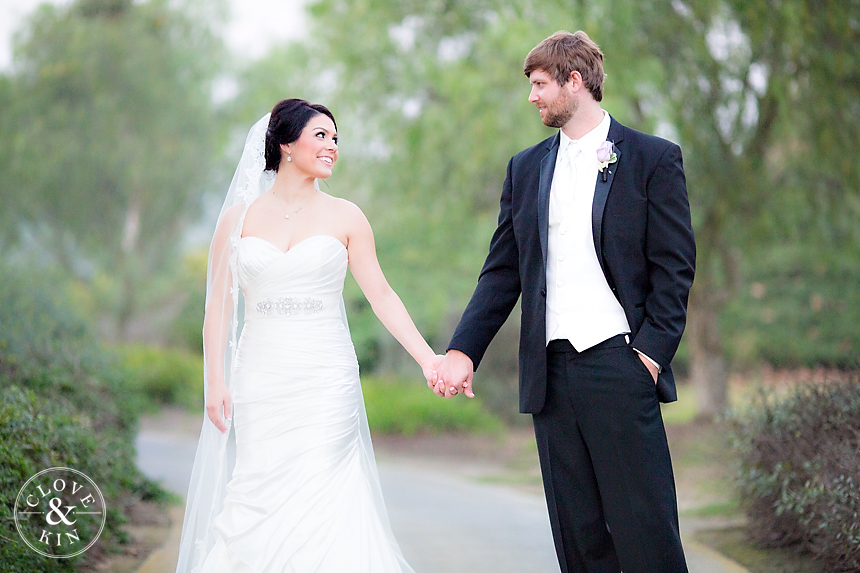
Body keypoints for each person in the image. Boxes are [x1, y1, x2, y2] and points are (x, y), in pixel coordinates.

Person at [433, 31, 696, 572]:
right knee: (578, 538)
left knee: (645, 528)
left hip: (620, 365)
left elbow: (675, 268)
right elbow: (502, 273)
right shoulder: (525, 168)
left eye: (539, 84)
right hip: (551, 376)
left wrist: (649, 355)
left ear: (575, 82)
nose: (532, 97)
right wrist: (463, 350)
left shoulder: (652, 158)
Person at [175, 99, 440, 572]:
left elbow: (381, 295)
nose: (332, 147)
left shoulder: (347, 217)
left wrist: (427, 359)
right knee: (260, 488)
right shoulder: (235, 221)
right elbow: (217, 307)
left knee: (322, 489)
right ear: (284, 144)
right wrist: (214, 380)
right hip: (259, 378)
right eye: (321, 136)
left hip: (325, 378)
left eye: (336, 139)